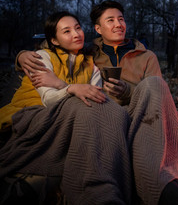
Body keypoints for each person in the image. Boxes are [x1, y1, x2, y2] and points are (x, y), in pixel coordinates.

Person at [16, 1, 178, 204]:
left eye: (121, 19)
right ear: (98, 28)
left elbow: (159, 99)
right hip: (107, 117)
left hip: (144, 114)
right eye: (110, 20)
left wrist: (128, 92)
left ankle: (171, 190)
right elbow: (55, 47)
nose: (118, 24)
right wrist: (21, 56)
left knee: (154, 85)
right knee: (118, 120)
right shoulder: (87, 53)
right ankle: (166, 193)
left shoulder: (147, 56)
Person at [0, 12, 132, 204]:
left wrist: (63, 85)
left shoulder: (90, 66)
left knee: (102, 108)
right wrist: (71, 88)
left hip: (67, 117)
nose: (76, 34)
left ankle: (108, 184)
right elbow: (49, 99)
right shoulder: (42, 57)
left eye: (78, 28)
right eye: (67, 31)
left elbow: (96, 97)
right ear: (54, 40)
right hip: (30, 113)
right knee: (82, 104)